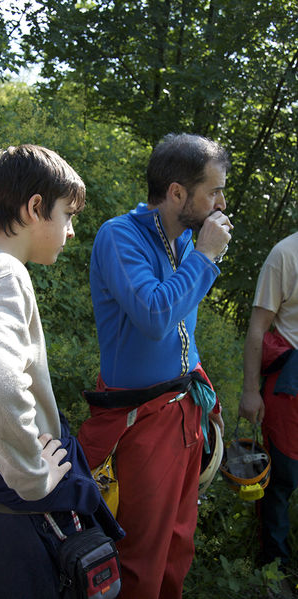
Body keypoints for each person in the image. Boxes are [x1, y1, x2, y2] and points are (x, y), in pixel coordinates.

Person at [0, 144, 122, 599]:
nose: (71, 232)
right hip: (12, 519)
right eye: (67, 215)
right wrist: (34, 476)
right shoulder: (5, 274)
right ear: (34, 208)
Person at [78, 133, 232, 599]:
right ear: (178, 193)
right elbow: (155, 316)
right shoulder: (119, 236)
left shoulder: (184, 241)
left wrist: (204, 396)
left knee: (178, 546)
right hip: (142, 421)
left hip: (186, 411)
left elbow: (183, 333)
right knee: (140, 554)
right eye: (214, 190)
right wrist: (205, 257)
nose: (222, 202)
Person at [238, 232, 298, 570]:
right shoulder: (285, 255)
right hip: (289, 387)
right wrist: (250, 390)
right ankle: (274, 568)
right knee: (281, 479)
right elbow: (258, 328)